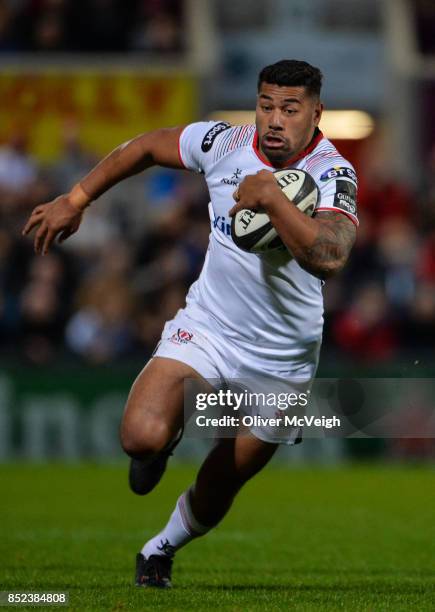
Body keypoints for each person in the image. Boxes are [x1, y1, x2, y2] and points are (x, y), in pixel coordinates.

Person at [23, 59, 358, 588]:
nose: (274, 119)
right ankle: (163, 440)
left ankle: (159, 549)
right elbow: (145, 146)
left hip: (284, 356)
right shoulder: (223, 143)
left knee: (225, 478)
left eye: (290, 109)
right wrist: (76, 198)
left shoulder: (331, 172)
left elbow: (331, 254)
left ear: (316, 113)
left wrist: (272, 196)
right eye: (266, 105)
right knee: (139, 437)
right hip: (209, 327)